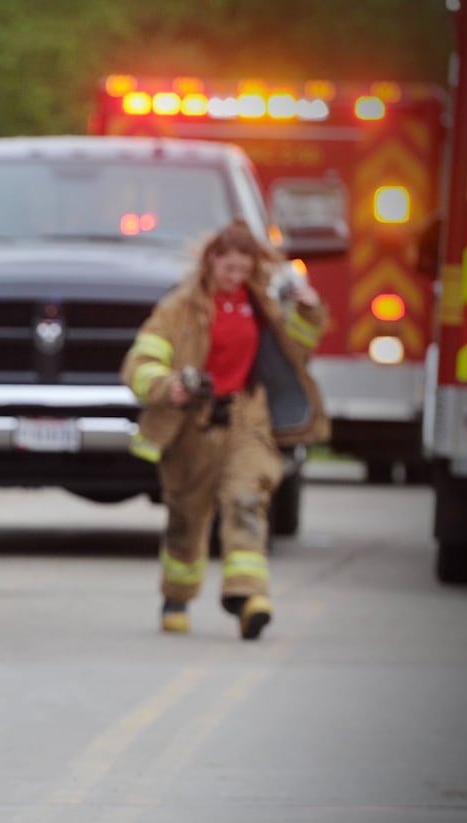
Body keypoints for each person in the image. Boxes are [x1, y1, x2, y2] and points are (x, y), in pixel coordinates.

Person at [120, 218, 329, 640]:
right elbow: (139, 364)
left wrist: (307, 306)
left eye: (244, 270)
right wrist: (169, 386)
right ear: (211, 261)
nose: (236, 277)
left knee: (246, 499)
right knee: (187, 516)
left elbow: (302, 343)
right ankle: (177, 596)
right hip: (193, 424)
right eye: (229, 269)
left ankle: (247, 597)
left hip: (246, 417)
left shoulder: (262, 305)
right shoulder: (178, 308)